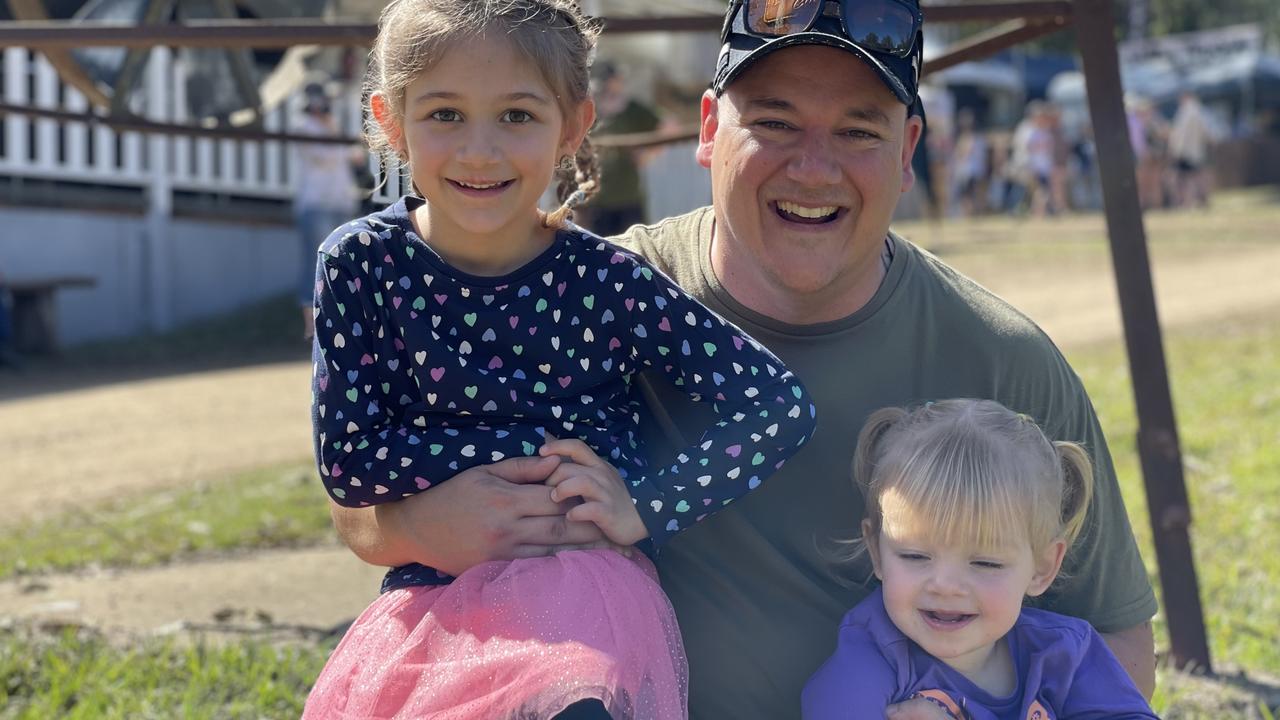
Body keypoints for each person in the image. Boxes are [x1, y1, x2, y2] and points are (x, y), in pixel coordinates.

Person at [329, 1, 1159, 717]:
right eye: (773, 123)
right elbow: (361, 502)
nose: (812, 166)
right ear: (707, 130)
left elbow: (1108, 630)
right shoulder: (592, 294)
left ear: (908, 151)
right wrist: (411, 527)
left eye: (857, 131)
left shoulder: (998, 359)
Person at [303, 1, 816, 718]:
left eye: (517, 116)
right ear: (392, 122)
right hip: (435, 596)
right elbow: (349, 460)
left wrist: (646, 506)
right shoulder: (361, 264)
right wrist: (460, 500)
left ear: (572, 126)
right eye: (444, 115)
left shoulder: (606, 280)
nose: (480, 150)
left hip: (584, 588)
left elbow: (777, 406)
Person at [802, 400, 1158, 719]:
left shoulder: (1065, 652)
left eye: (985, 563)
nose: (945, 585)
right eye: (914, 555)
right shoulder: (869, 664)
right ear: (877, 551)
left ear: (1043, 566)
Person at [293, 80, 361, 341]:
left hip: (342, 201)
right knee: (314, 266)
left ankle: (339, 322)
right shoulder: (303, 128)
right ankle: (311, 327)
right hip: (315, 204)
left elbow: (355, 156)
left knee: (343, 265)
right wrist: (336, 137)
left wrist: (333, 129)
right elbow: (328, 156)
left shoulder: (331, 127)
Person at [586, 62, 663, 236]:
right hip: (597, 201)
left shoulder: (631, 108)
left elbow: (667, 126)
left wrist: (649, 154)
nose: (619, 85)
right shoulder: (589, 109)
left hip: (628, 199)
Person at [1168, 90, 1216, 209]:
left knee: (1186, 178)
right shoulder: (1198, 111)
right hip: (1196, 151)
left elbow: (1180, 135)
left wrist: (1176, 150)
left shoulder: (1186, 112)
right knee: (1196, 176)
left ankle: (1188, 202)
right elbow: (1206, 131)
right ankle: (1200, 200)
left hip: (1185, 152)